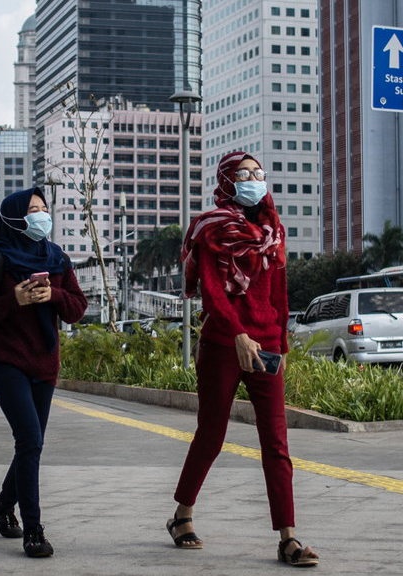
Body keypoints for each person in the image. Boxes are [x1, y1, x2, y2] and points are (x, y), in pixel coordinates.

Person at [166, 151, 319, 567]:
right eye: (244, 173)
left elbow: (279, 292)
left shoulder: (273, 230)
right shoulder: (213, 228)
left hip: (267, 342)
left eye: (258, 172)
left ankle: (288, 538)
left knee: (276, 442)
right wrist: (237, 334)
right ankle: (182, 514)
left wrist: (281, 345)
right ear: (226, 181)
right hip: (224, 342)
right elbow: (214, 289)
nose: (254, 179)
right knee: (211, 434)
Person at [0, 187, 87, 558]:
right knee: (30, 441)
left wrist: (54, 296)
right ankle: (33, 529)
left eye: (44, 209)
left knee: (31, 445)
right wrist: (13, 299)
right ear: (15, 217)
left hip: (45, 364)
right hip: (7, 362)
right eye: (32, 210)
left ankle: (3, 503)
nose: (41, 216)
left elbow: (77, 309)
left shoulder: (58, 259)